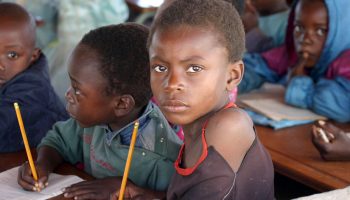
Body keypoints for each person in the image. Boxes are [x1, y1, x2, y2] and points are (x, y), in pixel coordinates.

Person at [113, 0, 275, 199]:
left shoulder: (229, 126)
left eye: (194, 68)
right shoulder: (196, 128)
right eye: (160, 68)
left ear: (232, 76)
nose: (172, 83)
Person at [17, 23, 182, 199]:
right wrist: (42, 164)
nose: (68, 95)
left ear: (121, 105)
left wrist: (131, 191)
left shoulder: (162, 158)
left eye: (77, 90)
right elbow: (58, 142)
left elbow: (177, 195)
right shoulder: (93, 121)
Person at [239, 0, 350, 122]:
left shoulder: (346, 62)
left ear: (341, 31)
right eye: (299, 28)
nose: (305, 39)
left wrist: (300, 85)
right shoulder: (292, 54)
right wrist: (230, 81)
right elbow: (258, 66)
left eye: (320, 31)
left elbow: (344, 105)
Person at [0, 2, 67, 153]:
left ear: (33, 55)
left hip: (56, 162)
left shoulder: (33, 88)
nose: (1, 65)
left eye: (12, 55)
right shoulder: (8, 75)